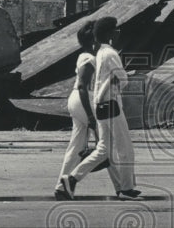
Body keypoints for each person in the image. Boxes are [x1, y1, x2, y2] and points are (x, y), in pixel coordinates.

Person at [60, 16, 140, 201]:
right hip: (111, 105)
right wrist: (124, 77)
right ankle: (126, 189)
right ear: (109, 33)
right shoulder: (111, 54)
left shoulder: (102, 53)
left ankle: (71, 179)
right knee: (125, 148)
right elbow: (123, 79)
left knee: (104, 149)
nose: (118, 32)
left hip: (101, 105)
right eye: (116, 29)